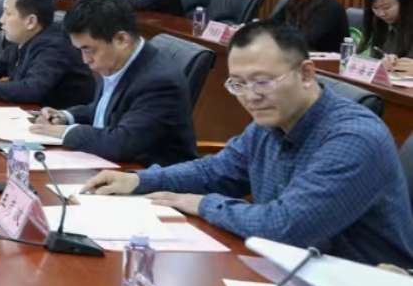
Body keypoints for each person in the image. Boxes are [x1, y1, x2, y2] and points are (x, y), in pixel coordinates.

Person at [83, 22, 413, 267]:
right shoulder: (271, 122)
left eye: (262, 82)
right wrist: (140, 180)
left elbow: (286, 227)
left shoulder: (353, 138)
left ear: (306, 73)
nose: (251, 96)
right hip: (289, 273)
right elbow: (217, 170)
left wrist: (204, 204)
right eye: (238, 84)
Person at [28, 0, 197, 166]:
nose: (85, 60)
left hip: (145, 175)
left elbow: (123, 143)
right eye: (80, 50)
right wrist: (66, 116)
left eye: (88, 49)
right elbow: (105, 110)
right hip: (108, 165)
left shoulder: (159, 82)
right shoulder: (117, 60)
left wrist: (65, 132)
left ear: (121, 40)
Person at [363, 0, 413, 75]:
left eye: (387, 7)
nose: (381, 14)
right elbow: (375, 58)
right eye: (375, 8)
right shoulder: (377, 21)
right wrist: (384, 62)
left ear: (403, 2)